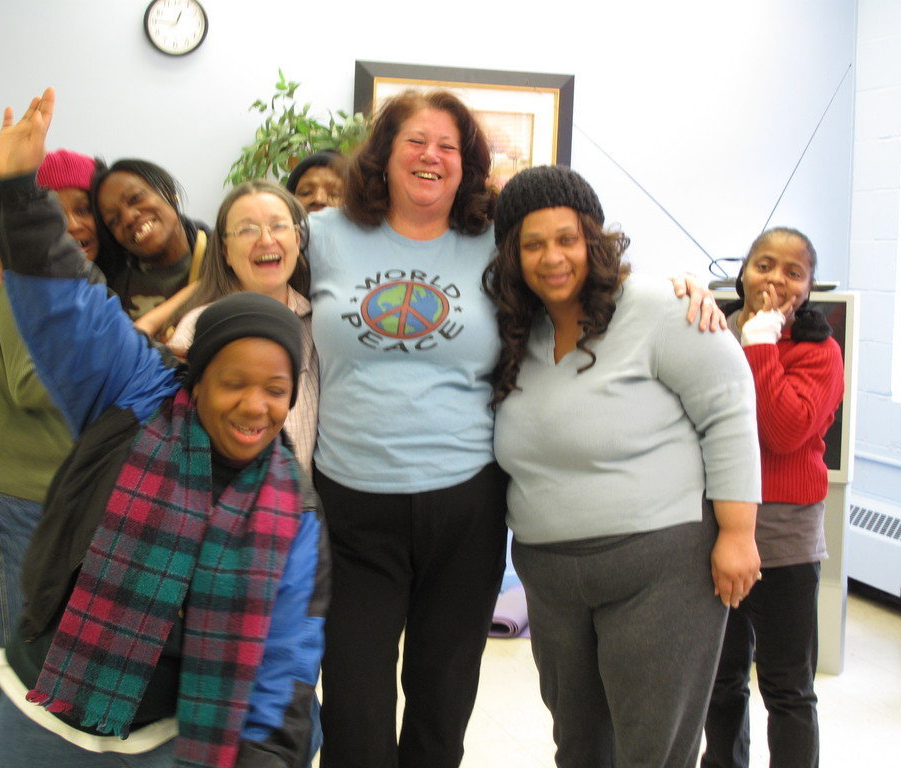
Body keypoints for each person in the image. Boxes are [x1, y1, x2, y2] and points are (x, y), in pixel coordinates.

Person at [306, 92, 723, 768]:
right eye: (416, 140)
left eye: (449, 145)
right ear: (383, 153)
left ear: (469, 163)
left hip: (466, 502)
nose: (431, 156)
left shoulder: (492, 239)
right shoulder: (325, 235)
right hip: (352, 502)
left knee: (443, 702)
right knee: (356, 707)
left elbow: (577, 269)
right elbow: (246, 272)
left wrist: (686, 285)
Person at [0, 87, 327, 768]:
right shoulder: (134, 395)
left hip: (181, 734)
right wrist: (17, 190)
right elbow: (66, 306)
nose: (255, 406)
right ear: (196, 377)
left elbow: (286, 658)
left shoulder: (293, 504)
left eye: (275, 390)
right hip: (47, 703)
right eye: (234, 382)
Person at [484, 164, 763, 768]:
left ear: (594, 238)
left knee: (653, 749)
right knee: (579, 746)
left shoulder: (661, 308)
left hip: (662, 567)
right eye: (532, 244)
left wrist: (738, 532)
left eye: (566, 238)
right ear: (512, 254)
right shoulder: (513, 328)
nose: (552, 257)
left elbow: (729, 409)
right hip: (551, 577)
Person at [0, 147, 101, 759]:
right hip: (0, 508)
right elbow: (35, 385)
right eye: (55, 210)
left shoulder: (85, 283)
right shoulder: (21, 279)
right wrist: (146, 343)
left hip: (60, 510)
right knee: (9, 676)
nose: (74, 224)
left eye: (85, 208)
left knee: (58, 680)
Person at [702, 228, 844, 768]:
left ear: (809, 286)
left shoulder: (821, 352)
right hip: (714, 533)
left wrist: (761, 343)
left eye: (793, 271)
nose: (776, 280)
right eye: (764, 265)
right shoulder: (713, 333)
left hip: (785, 540)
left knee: (787, 687)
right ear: (743, 273)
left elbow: (781, 430)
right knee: (721, 681)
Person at [167, 180, 318, 473]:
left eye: (278, 226)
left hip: (300, 507)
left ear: (297, 239)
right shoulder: (197, 327)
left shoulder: (318, 321)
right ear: (224, 250)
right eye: (247, 230)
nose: (265, 240)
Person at [91, 158, 209, 319]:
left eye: (135, 198)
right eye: (114, 220)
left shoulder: (226, 254)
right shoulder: (113, 291)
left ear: (167, 192)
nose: (128, 218)